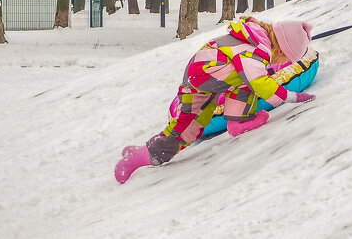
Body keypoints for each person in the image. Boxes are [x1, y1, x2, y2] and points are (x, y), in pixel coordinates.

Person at [114, 17, 317, 184]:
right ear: (281, 50)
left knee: (247, 81)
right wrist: (292, 97)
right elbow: (259, 82)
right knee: (187, 129)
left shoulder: (255, 39)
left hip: (209, 73)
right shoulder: (257, 50)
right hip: (202, 78)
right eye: (286, 60)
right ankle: (142, 156)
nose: (282, 64)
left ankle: (239, 121)